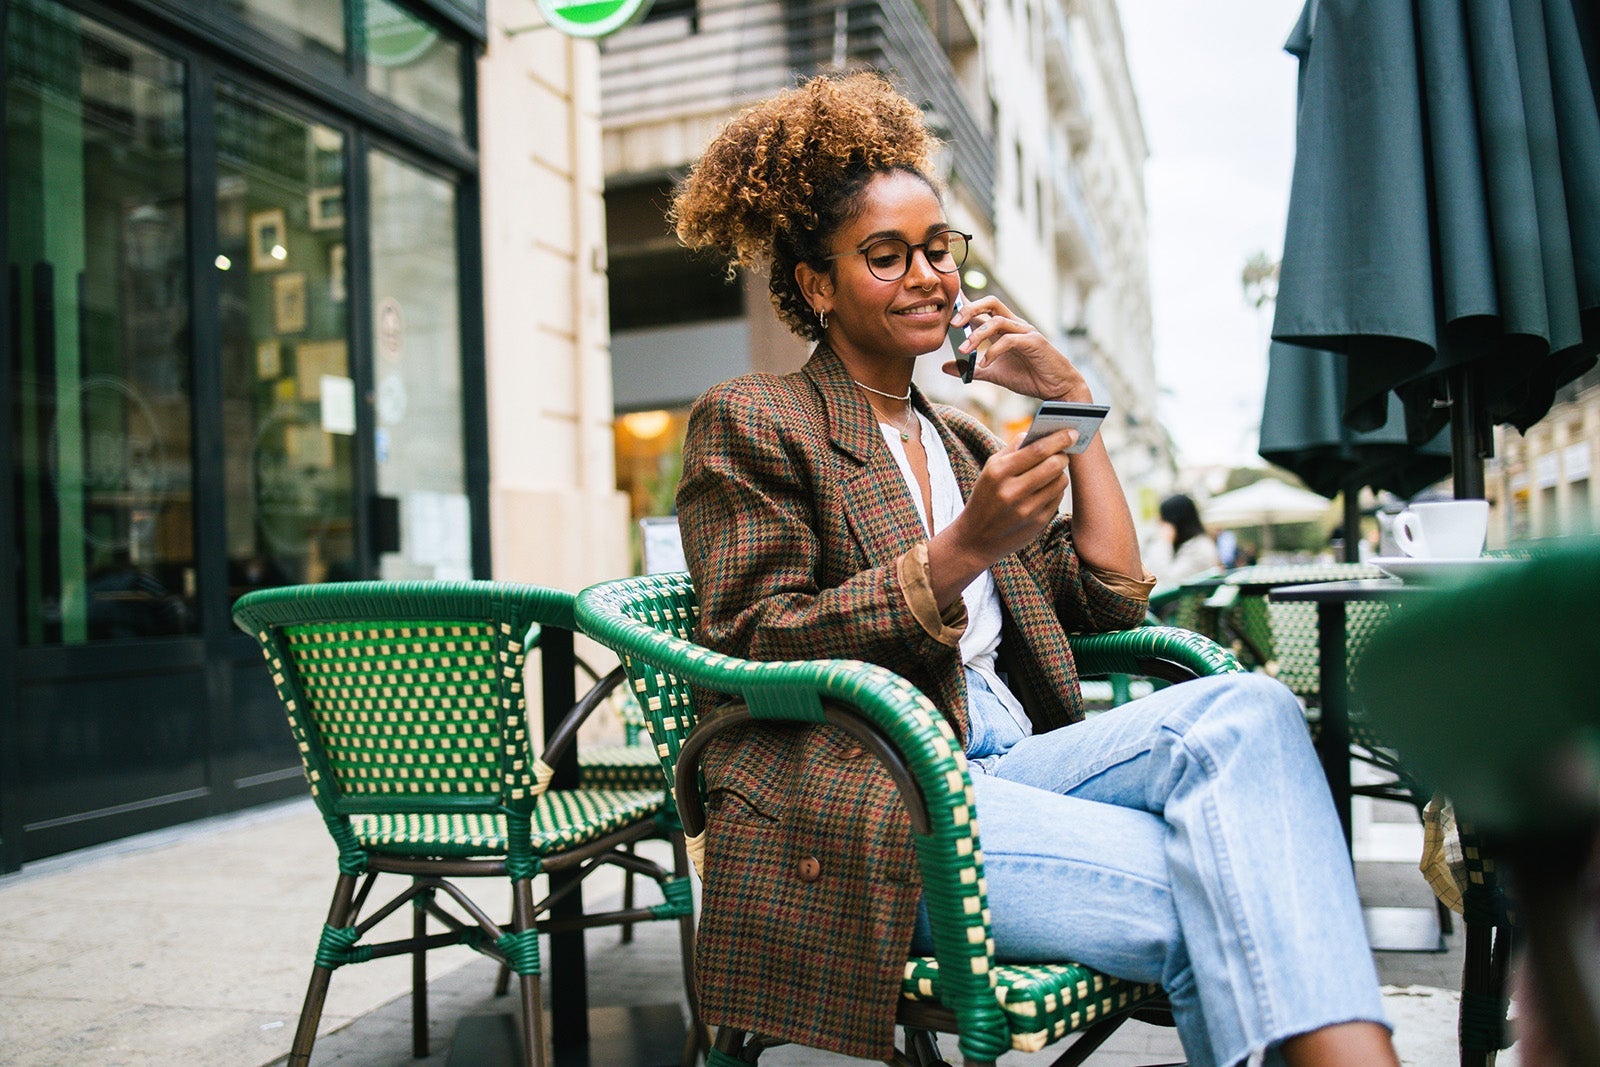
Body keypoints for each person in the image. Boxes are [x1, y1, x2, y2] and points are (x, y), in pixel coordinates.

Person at [669, 72, 1395, 1067]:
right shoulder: (756, 416)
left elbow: (1107, 599)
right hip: (876, 794)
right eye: (886, 255)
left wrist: (1070, 396)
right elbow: (754, 640)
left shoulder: (962, 438)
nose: (928, 275)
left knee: (1252, 709)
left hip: (1018, 756)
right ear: (817, 285)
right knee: (1241, 883)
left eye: (939, 248)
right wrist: (961, 549)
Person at [1147, 492, 1222, 587]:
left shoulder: (1198, 549)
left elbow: (1166, 581)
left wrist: (1164, 542)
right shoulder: (1193, 544)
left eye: (1163, 521)